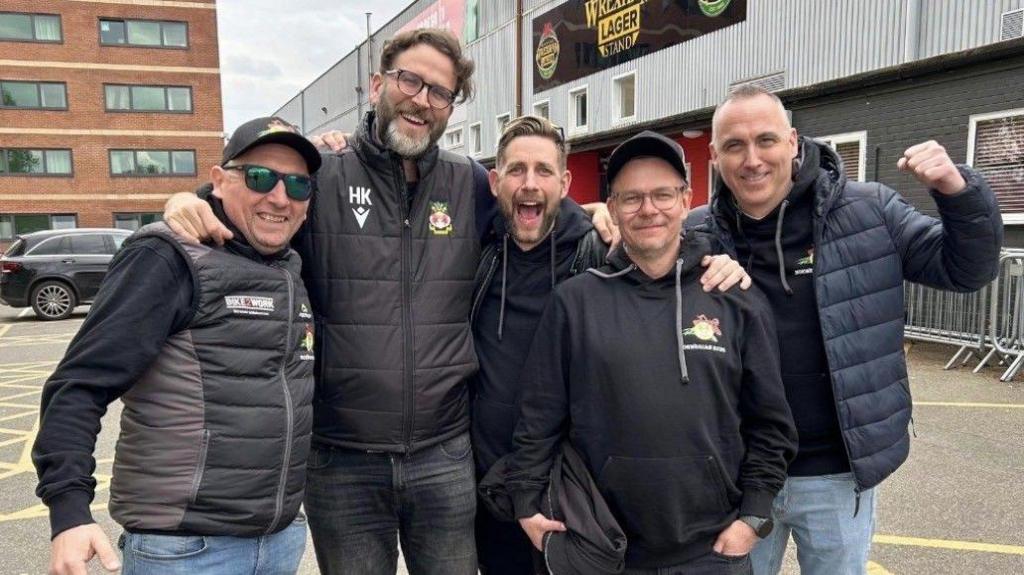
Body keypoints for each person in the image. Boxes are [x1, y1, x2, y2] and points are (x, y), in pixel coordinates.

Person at [165, 28, 490, 575]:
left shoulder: (470, 184)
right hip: (341, 462)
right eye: (410, 80)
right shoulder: (319, 175)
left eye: (440, 92)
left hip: (445, 456)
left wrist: (599, 219)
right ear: (377, 84)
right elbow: (244, 203)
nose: (422, 99)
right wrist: (186, 199)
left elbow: (544, 223)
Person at [691, 85, 1003, 575]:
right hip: (736, 474)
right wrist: (600, 223)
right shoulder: (694, 234)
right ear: (714, 155)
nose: (752, 159)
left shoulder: (869, 211)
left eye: (766, 140)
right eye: (734, 145)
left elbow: (967, 270)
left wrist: (956, 192)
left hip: (836, 474)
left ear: (793, 142)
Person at [32, 116, 322, 575]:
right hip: (186, 552)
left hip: (279, 542)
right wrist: (68, 512)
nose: (280, 197)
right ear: (220, 181)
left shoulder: (288, 266)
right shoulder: (168, 257)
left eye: (298, 185)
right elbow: (79, 386)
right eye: (260, 177)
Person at [508, 130, 798, 575]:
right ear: (614, 207)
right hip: (601, 545)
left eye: (663, 194)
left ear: (686, 200)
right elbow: (539, 415)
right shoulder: (575, 302)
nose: (648, 210)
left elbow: (770, 423)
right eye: (632, 198)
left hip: (711, 550)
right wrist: (526, 504)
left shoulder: (733, 297)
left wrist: (753, 518)